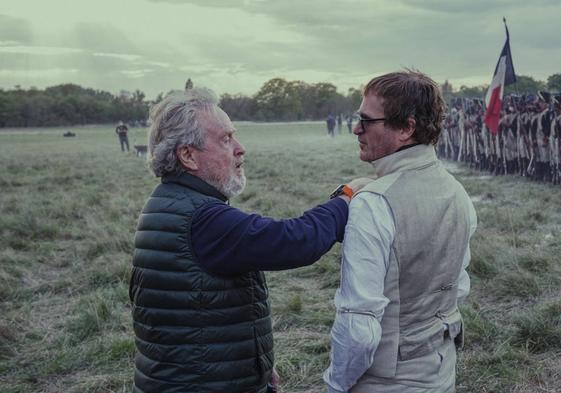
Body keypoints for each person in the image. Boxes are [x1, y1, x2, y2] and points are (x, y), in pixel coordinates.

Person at [129, 87, 370, 393]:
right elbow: (294, 241)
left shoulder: (170, 201)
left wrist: (253, 371)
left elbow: (197, 316)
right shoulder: (202, 219)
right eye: (225, 139)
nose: (240, 148)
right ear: (187, 155)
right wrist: (346, 199)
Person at [323, 70, 477, 393]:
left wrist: (336, 385)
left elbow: (358, 327)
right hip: (441, 374)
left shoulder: (373, 204)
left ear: (406, 128)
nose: (356, 129)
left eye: (367, 121)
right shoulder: (458, 193)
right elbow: (457, 287)